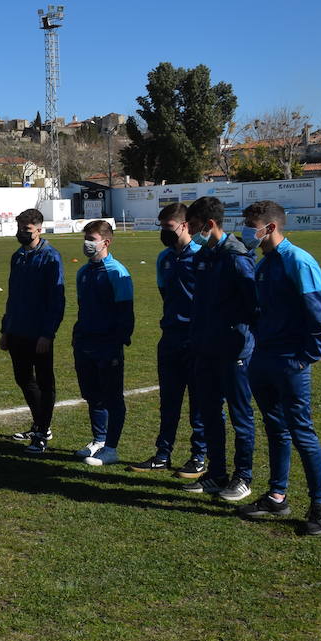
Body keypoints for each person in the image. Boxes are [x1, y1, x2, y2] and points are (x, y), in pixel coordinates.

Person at [235, 201, 321, 535]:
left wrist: (306, 356)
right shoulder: (264, 264)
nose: (246, 232)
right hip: (263, 358)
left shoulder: (299, 261)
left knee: (302, 431)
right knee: (275, 428)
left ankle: (320, 506)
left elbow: (319, 314)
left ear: (271, 227)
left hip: (290, 361)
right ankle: (277, 496)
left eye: (251, 226)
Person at [182, 195, 257, 502]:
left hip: (232, 351)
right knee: (209, 413)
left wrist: (238, 340)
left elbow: (253, 306)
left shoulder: (236, 257)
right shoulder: (203, 256)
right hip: (205, 349)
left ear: (209, 224)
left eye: (194, 225)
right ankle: (216, 473)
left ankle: (243, 476)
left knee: (240, 416)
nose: (190, 231)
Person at [130, 203, 206, 476]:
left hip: (196, 340)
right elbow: (165, 293)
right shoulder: (164, 258)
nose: (164, 231)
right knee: (169, 401)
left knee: (199, 402)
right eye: (161, 226)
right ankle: (163, 454)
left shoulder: (202, 256)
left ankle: (199, 456)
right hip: (170, 337)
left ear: (185, 225)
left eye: (169, 226)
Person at [0, 208, 65, 454]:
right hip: (17, 329)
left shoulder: (50, 257)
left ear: (39, 229)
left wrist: (47, 334)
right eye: (19, 228)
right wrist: (5, 329)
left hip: (39, 333)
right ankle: (40, 425)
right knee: (23, 379)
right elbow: (12, 296)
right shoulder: (17, 256)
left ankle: (41, 431)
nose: (22, 232)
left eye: (26, 229)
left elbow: (56, 299)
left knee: (45, 382)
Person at [71, 220, 134, 467]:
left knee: (112, 396)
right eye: (85, 238)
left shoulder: (117, 272)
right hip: (84, 342)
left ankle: (111, 448)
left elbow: (126, 312)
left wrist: (117, 341)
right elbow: (83, 307)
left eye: (92, 239)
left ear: (106, 242)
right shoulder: (83, 272)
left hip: (107, 344)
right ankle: (99, 439)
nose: (87, 243)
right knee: (92, 395)